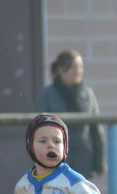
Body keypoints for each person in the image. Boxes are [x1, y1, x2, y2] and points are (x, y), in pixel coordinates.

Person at [35, 49, 106, 179]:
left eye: (80, 66)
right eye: (74, 67)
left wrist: (99, 162)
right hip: (55, 156)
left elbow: (96, 130)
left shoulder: (87, 94)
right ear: (62, 69)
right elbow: (37, 129)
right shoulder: (47, 95)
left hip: (83, 157)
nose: (78, 70)